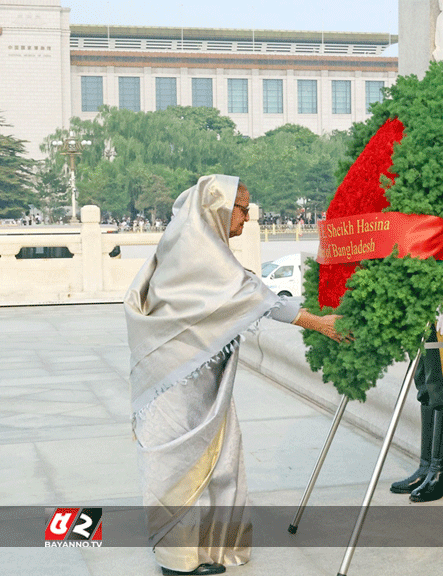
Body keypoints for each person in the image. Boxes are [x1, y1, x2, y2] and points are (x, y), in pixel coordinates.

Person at [124, 174, 343, 576]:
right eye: (242, 209)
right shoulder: (198, 251)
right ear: (218, 210)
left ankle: (206, 549)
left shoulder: (195, 244)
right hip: (178, 381)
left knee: (217, 458)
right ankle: (177, 558)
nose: (246, 217)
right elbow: (252, 295)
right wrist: (318, 323)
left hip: (194, 377)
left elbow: (251, 290)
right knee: (181, 461)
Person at [389, 300, 443, 503]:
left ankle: (440, 474)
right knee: (425, 382)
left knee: (442, 385)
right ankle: (426, 468)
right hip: (413, 290)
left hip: (436, 290)